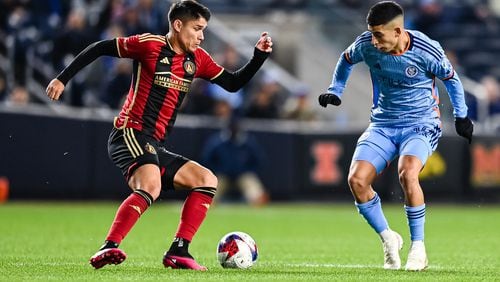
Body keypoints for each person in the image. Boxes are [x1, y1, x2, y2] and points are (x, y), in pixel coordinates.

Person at [46, 0, 272, 271]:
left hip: (155, 144)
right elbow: (100, 47)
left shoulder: (198, 59)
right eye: (197, 28)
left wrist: (258, 57)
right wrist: (62, 78)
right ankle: (109, 246)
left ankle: (179, 251)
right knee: (151, 184)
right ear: (178, 25)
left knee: (206, 180)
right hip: (128, 132)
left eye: (204, 30)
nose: (202, 36)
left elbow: (233, 83)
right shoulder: (150, 44)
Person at [318, 1, 473, 271]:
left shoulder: (427, 49)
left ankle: (418, 248)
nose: (374, 41)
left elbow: (452, 79)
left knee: (407, 172)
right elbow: (345, 59)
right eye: (372, 34)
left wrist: (461, 115)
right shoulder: (366, 44)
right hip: (383, 124)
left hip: (420, 123)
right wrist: (336, 90)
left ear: (399, 31)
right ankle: (389, 237)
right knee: (356, 180)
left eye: (379, 35)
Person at [202, 116, 269, 206]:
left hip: (242, 175)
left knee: (251, 183)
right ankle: (209, 200)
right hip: (223, 176)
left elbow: (259, 160)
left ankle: (257, 200)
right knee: (211, 191)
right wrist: (217, 170)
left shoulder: (247, 142)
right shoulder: (218, 142)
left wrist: (247, 170)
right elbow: (206, 159)